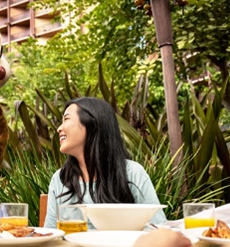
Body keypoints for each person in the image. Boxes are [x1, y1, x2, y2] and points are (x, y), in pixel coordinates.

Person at [43, 97, 166, 229]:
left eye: (66, 119)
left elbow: (157, 228)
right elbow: (51, 234)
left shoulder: (132, 172)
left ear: (92, 124)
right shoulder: (61, 178)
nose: (59, 129)